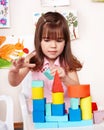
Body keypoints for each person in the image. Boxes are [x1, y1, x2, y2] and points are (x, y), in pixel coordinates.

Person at [8, 11, 82, 111]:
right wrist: (14, 71)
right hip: (41, 113)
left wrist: (65, 78)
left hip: (65, 112)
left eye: (59, 40)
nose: (53, 46)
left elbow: (79, 91)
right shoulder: (32, 58)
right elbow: (14, 82)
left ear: (66, 42)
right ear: (39, 41)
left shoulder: (67, 62)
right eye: (47, 40)